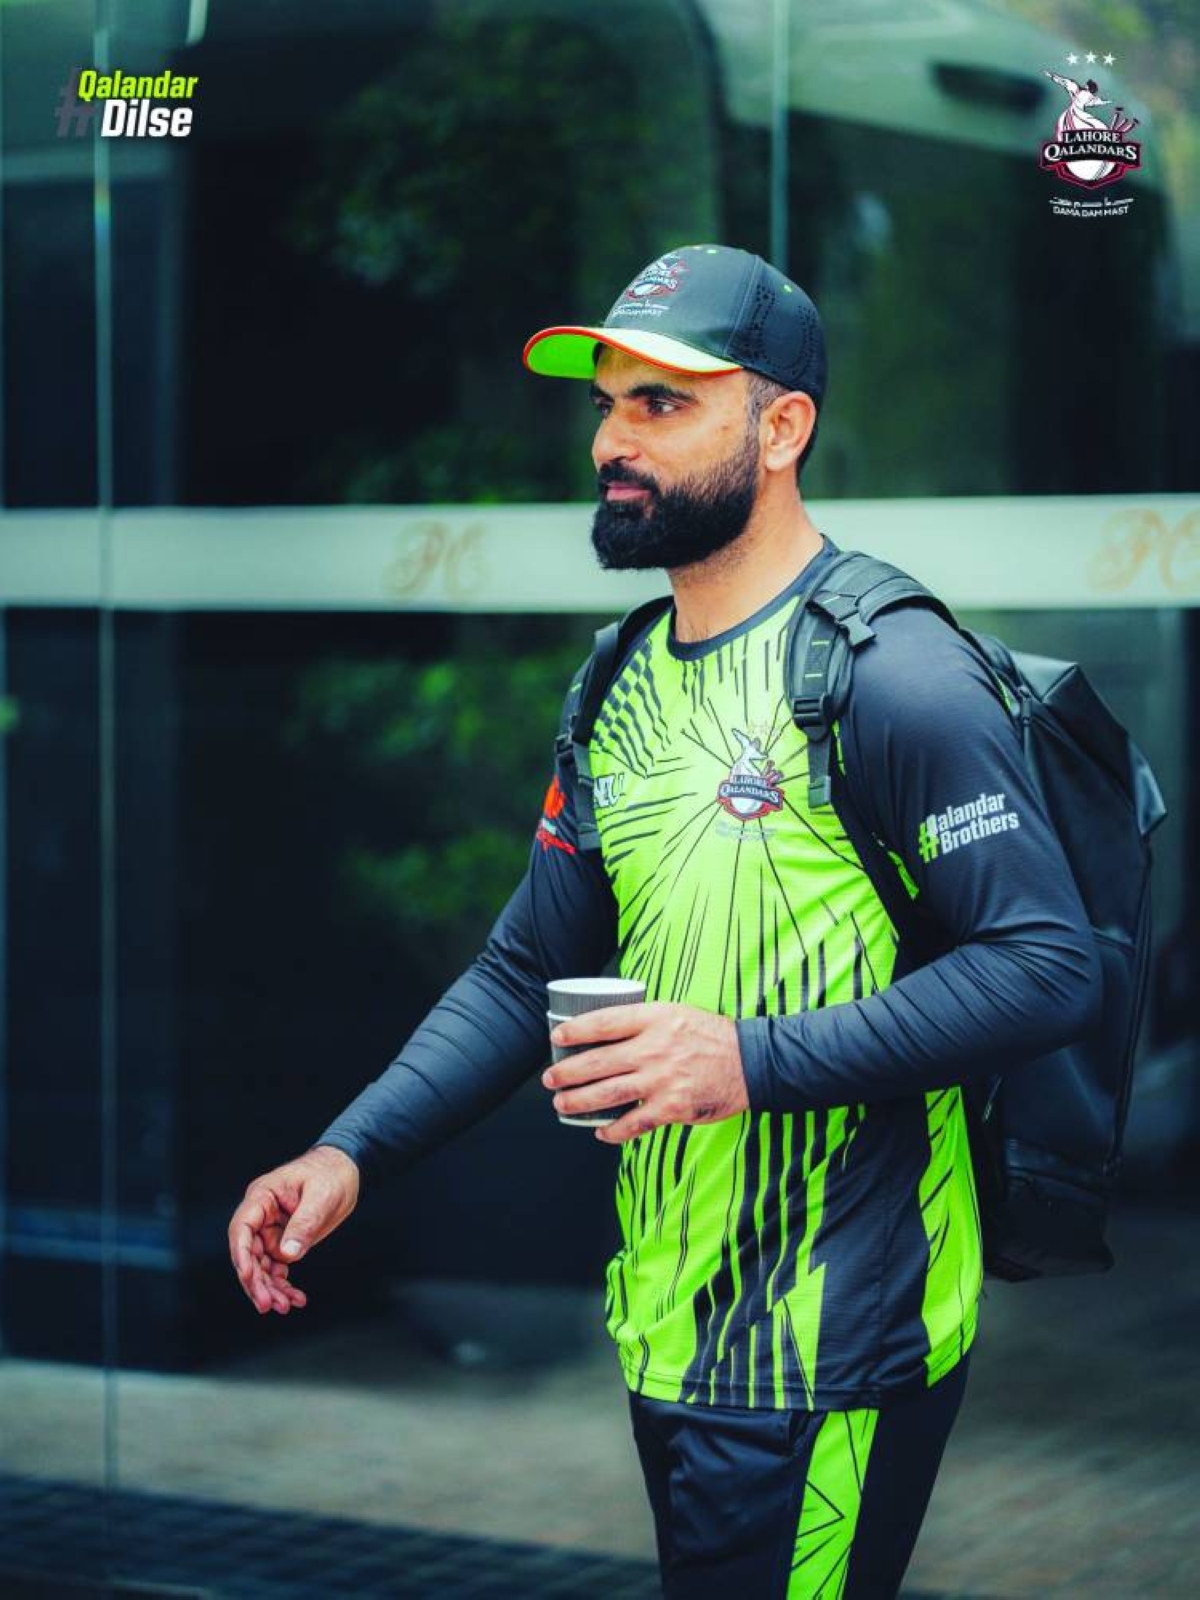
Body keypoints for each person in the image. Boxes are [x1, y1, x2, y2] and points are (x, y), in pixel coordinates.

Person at [228, 244, 1099, 1597]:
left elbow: (1044, 967)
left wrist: (742, 1060)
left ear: (782, 427)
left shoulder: (895, 675)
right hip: (670, 1324)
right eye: (607, 404)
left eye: (663, 405)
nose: (612, 444)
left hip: (837, 1341)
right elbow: (530, 966)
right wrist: (351, 1152)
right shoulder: (619, 678)